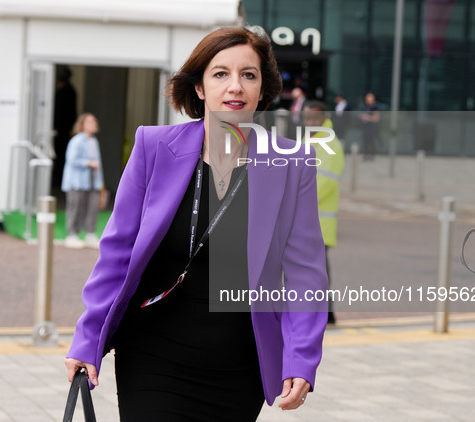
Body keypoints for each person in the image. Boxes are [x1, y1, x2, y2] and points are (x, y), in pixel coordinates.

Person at [64, 27, 328, 421]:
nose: (234, 86)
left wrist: (301, 359)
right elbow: (116, 253)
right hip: (153, 353)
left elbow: (306, 273)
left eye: (248, 75)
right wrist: (88, 339)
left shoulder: (291, 164)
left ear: (262, 91)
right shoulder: (154, 148)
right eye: (220, 73)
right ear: (200, 88)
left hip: (240, 365)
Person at [303, 101, 344, 325]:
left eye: (312, 119)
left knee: (316, 271)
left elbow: (324, 182)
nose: (308, 122)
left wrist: (297, 201)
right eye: (306, 118)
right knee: (309, 270)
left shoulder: (330, 143)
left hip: (319, 221)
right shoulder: (309, 139)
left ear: (323, 119)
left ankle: (326, 313)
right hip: (307, 219)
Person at [61, 113, 104, 249]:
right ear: (82, 124)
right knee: (75, 207)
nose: (94, 124)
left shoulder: (94, 141)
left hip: (92, 180)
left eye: (94, 121)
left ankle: (90, 234)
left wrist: (101, 183)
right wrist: (88, 163)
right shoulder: (77, 141)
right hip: (77, 181)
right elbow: (72, 160)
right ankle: (71, 234)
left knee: (92, 207)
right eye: (90, 122)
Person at [52, 65, 78, 189]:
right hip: (63, 129)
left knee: (61, 155)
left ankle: (58, 182)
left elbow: (62, 112)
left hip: (63, 130)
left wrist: (57, 126)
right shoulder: (69, 90)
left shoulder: (65, 91)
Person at [359, 92, 380, 160]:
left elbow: (377, 118)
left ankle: (371, 155)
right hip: (365, 126)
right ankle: (366, 154)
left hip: (372, 127)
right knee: (365, 141)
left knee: (371, 141)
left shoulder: (374, 107)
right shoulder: (365, 107)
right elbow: (361, 115)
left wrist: (368, 117)